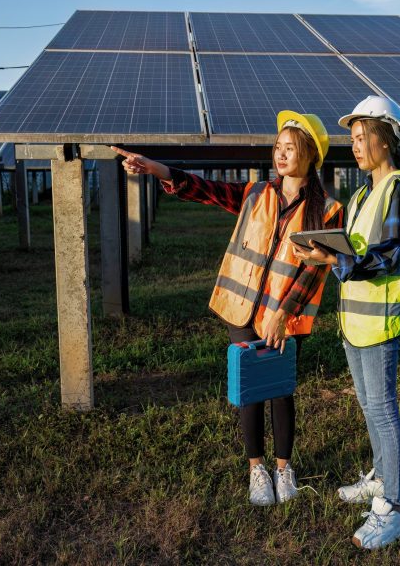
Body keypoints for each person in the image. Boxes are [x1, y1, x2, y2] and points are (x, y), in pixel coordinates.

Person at [111, 110, 343, 507]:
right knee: (251, 388)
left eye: (290, 148)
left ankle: (284, 468)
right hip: (241, 310)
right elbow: (205, 189)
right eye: (278, 147)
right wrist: (158, 170)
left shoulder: (327, 209)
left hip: (284, 319)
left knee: (281, 392)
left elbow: (312, 274)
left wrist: (282, 316)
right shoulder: (256, 193)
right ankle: (257, 469)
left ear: (309, 156)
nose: (281, 154)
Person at [292, 96, 400, 549]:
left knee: (383, 409)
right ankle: (380, 478)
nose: (355, 146)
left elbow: (386, 255)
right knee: (369, 407)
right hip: (354, 322)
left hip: (380, 322)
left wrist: (333, 258)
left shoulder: (398, 190)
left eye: (362, 138)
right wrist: (325, 252)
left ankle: (394, 509)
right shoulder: (361, 195)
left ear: (385, 139)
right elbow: (352, 251)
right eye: (352, 139)